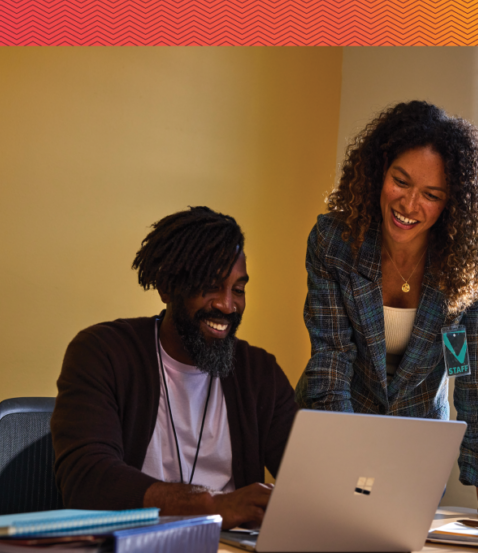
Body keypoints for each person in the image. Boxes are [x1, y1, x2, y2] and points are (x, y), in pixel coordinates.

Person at [295, 101, 478, 521]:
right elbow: (332, 360)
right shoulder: (335, 243)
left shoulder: (470, 273)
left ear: (452, 204)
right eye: (400, 181)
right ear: (378, 173)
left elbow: (473, 376)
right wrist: (343, 463)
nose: (409, 204)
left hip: (416, 445)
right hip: (336, 424)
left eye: (432, 195)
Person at [52, 206, 297, 530]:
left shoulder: (260, 373)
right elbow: (87, 480)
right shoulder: (102, 353)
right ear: (167, 287)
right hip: (133, 545)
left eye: (238, 289)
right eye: (210, 285)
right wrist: (212, 506)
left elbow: (307, 483)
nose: (227, 305)